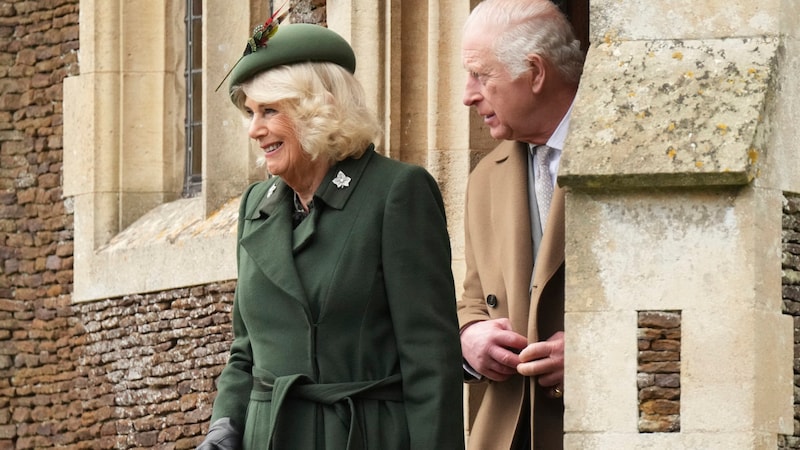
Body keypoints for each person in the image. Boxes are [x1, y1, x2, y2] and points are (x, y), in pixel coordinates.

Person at [197, 19, 465, 450]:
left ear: (317, 110)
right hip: (270, 438)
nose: (254, 129)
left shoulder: (396, 193)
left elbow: (430, 359)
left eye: (269, 111)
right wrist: (223, 425)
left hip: (362, 436)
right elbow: (244, 350)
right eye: (251, 113)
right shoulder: (255, 204)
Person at [456, 0, 585, 449]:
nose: (469, 95)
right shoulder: (484, 178)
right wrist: (470, 340)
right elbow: (473, 300)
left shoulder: (631, 160)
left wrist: (596, 351)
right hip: (505, 432)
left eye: (481, 75)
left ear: (534, 71)